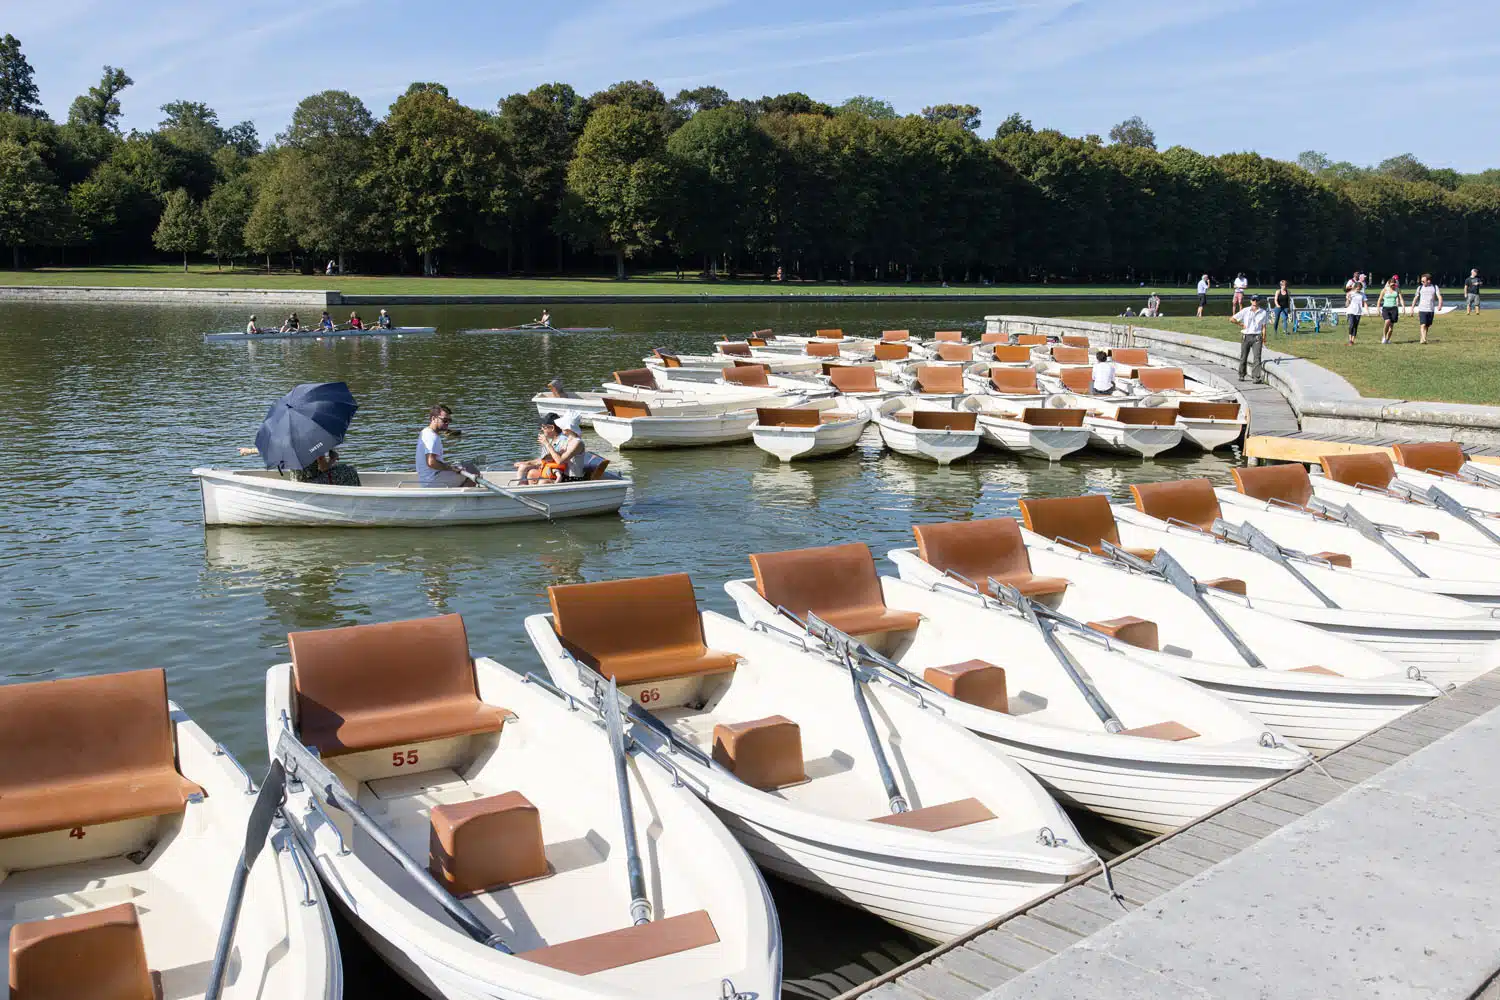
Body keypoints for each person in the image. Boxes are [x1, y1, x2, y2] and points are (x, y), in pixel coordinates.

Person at [416, 404, 468, 487]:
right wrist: (450, 468)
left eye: (449, 421)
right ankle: (461, 499)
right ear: (433, 419)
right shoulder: (431, 437)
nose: (447, 423)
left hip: (429, 478)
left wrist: (450, 466)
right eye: (444, 420)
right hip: (431, 481)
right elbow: (431, 462)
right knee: (473, 474)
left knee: (467, 466)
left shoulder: (426, 431)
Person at [1232, 294, 1270, 382]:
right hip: (1246, 336)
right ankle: (1241, 375)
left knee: (1257, 357)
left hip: (1257, 337)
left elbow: (1264, 327)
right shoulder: (1245, 310)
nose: (1255, 302)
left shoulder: (1263, 312)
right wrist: (1241, 324)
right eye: (1253, 300)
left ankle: (1256, 377)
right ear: (1250, 301)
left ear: (1259, 301)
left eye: (1256, 300)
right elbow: (1232, 319)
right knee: (1243, 356)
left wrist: (1264, 338)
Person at [294, 448, 360, 486]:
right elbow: (324, 468)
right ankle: (356, 496)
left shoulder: (293, 445)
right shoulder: (313, 444)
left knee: (338, 469)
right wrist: (333, 458)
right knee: (350, 470)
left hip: (296, 481)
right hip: (310, 484)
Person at [1412, 273, 1442, 344]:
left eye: (1423, 281)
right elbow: (1415, 298)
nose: (1422, 283)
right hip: (1422, 309)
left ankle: (1422, 338)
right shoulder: (1420, 288)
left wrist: (1440, 304)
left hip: (1431, 309)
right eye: (1421, 281)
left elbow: (1439, 296)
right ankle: (1423, 339)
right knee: (1423, 324)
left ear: (1428, 281)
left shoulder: (1435, 287)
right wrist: (1412, 307)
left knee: (1427, 325)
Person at [1378, 275, 1405, 344]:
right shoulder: (1384, 290)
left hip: (1394, 309)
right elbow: (1379, 299)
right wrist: (1378, 308)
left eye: (1394, 285)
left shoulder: (1397, 290)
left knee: (1391, 328)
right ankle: (1384, 337)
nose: (1393, 286)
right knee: (1387, 321)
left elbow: (1401, 299)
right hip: (1386, 308)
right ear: (1389, 284)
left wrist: (1403, 307)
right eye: (1392, 285)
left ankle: (1388, 339)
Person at [1345, 281, 1366, 346]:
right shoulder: (1350, 293)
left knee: (1355, 326)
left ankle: (1352, 341)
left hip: (1358, 312)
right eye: (1357, 288)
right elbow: (1346, 305)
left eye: (1360, 288)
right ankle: (1350, 339)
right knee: (1351, 325)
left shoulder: (1362, 294)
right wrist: (1348, 299)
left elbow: (1364, 303)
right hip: (1351, 311)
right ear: (1355, 287)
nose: (1358, 289)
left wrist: (1366, 310)